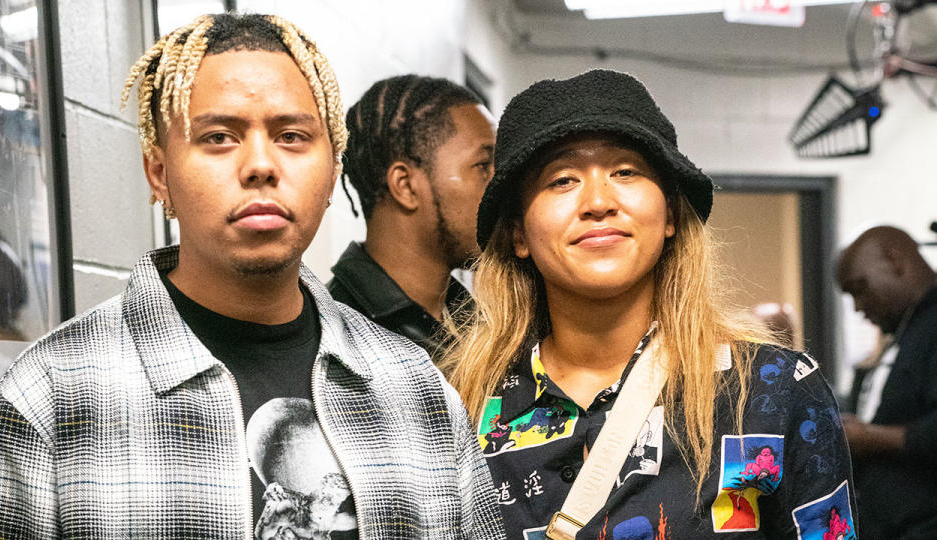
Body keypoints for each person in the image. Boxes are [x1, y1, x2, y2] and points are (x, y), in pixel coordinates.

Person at [0, 14, 503, 539]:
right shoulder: (48, 398)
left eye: (292, 136)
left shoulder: (416, 389)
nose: (260, 165)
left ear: (331, 168)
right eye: (220, 137)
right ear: (159, 173)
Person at [444, 70, 856, 539]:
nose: (598, 201)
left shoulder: (772, 391)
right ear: (519, 233)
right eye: (561, 180)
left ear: (670, 216)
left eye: (625, 172)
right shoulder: (462, 405)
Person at [328, 75, 496, 362]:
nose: (500, 184)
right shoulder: (337, 335)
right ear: (405, 186)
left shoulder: (473, 320)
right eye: (483, 166)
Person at [836, 225, 937, 538]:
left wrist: (871, 438)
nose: (858, 306)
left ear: (895, 260)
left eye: (859, 288)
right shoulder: (908, 328)